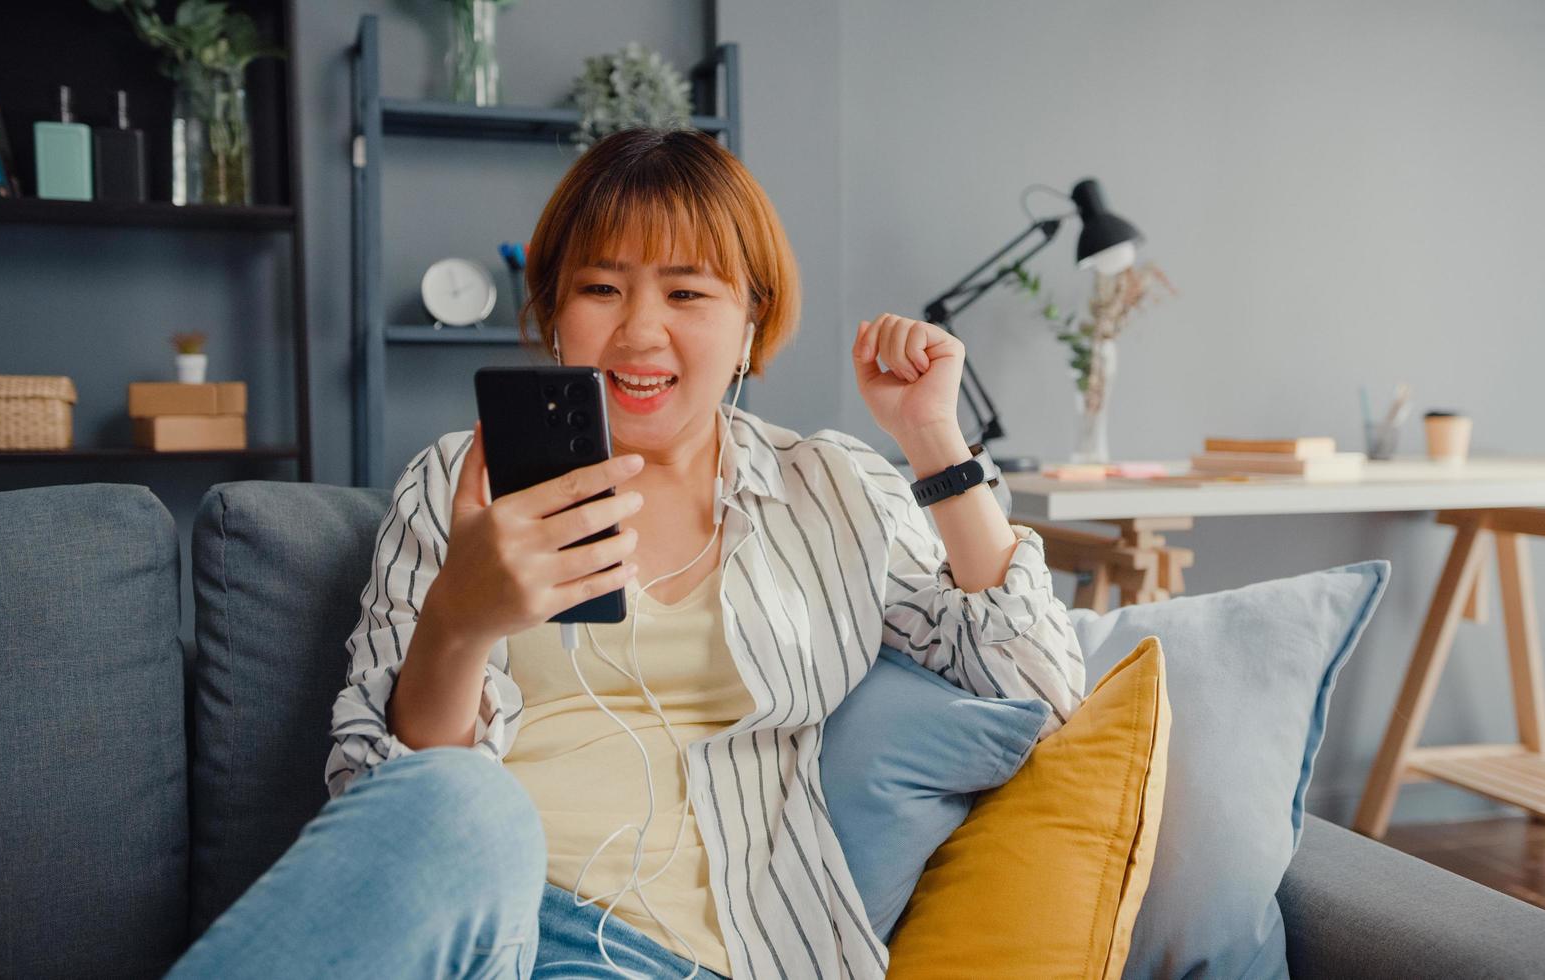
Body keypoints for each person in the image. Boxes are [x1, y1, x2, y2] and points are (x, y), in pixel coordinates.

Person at [166, 127, 1086, 980]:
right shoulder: (460, 485)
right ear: (555, 311)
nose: (640, 332)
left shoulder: (834, 487)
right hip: (494, 933)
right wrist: (458, 620)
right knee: (461, 806)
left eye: (687, 292)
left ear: (751, 322)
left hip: (727, 953)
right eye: (601, 288)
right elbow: (380, 808)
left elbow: (1043, 692)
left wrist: (932, 439)